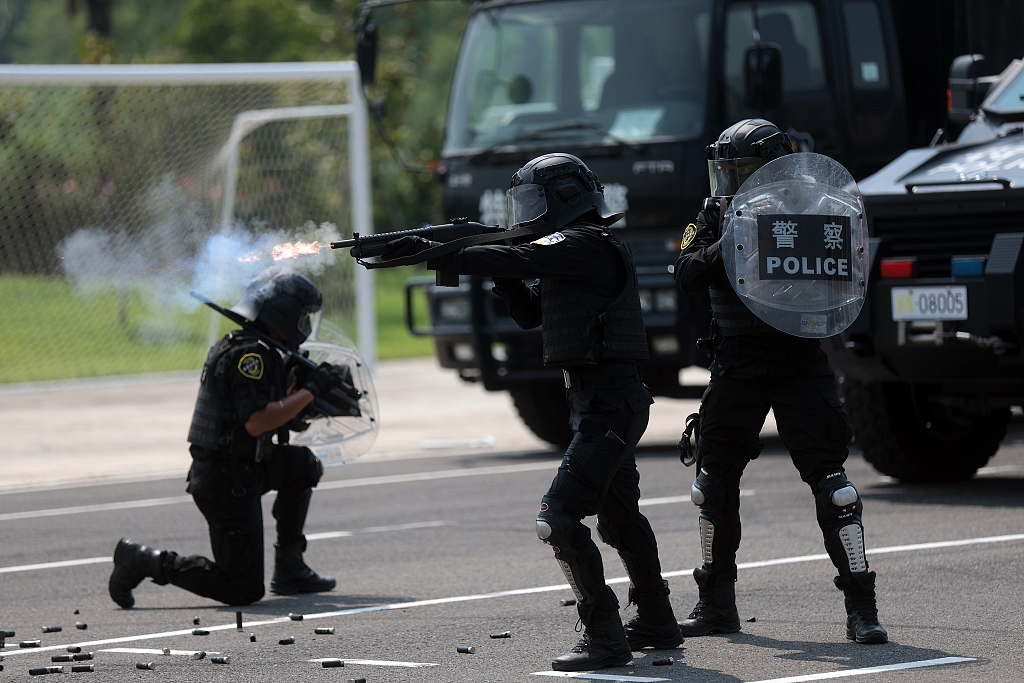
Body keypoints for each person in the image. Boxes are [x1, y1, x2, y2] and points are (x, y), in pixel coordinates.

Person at [384, 153, 683, 671]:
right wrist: (496, 268)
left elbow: (520, 256)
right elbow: (528, 313)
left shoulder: (584, 243)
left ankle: (605, 638)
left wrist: (439, 250)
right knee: (619, 517)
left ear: (564, 198)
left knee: (557, 519)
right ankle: (657, 620)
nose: (526, 212)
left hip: (609, 402)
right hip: (601, 402)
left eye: (533, 201)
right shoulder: (570, 251)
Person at [673, 118, 887, 644]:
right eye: (726, 169)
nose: (732, 179)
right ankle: (715, 603)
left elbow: (848, 274)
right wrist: (728, 241)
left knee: (835, 490)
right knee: (711, 485)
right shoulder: (715, 212)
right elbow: (685, 274)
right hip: (736, 362)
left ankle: (862, 610)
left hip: (798, 359)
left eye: (743, 169)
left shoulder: (818, 208)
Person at [108, 267, 344, 608]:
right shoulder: (249, 357)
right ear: (282, 313)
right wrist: (312, 390)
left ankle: (290, 569)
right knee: (242, 589)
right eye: (301, 316)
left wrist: (301, 393)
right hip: (225, 481)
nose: (304, 325)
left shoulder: (261, 350)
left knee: (301, 465)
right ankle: (145, 560)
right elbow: (256, 422)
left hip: (247, 466)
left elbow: (279, 419)